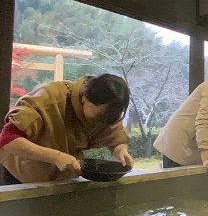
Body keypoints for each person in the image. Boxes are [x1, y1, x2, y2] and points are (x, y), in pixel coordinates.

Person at [0, 74, 134, 184]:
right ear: (85, 98)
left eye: (111, 119)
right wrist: (56, 157)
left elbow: (114, 135)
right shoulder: (49, 99)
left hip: (63, 177)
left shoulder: (106, 113)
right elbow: (7, 140)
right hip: (20, 174)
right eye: (100, 116)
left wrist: (120, 150)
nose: (104, 123)